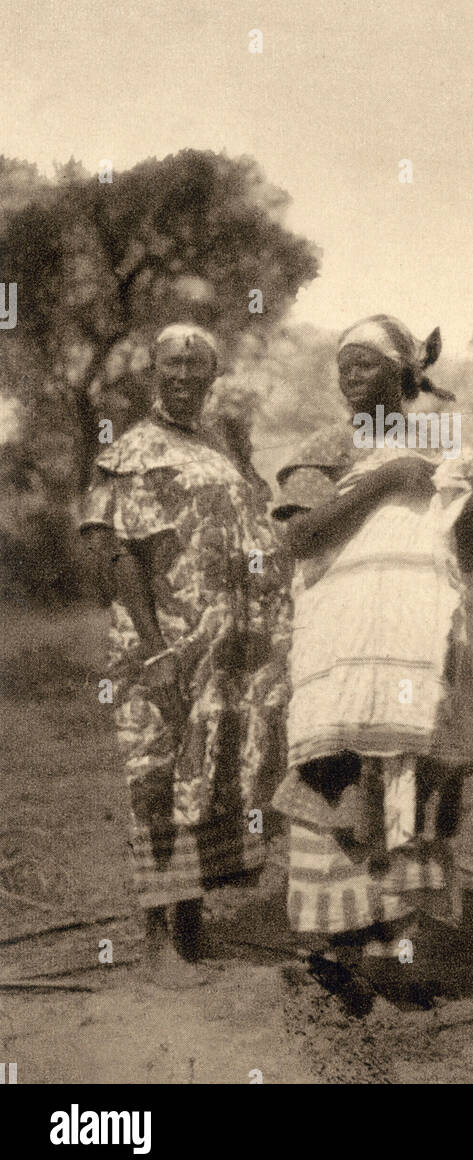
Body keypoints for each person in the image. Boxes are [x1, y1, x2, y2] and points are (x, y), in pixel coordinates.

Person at [272, 314, 473, 1009]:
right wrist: (385, 478)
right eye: (343, 366)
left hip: (413, 642)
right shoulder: (327, 446)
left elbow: (468, 557)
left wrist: (471, 505)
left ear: (402, 373)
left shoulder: (437, 446)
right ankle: (334, 951)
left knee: (408, 787)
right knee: (339, 780)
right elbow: (299, 538)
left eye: (364, 364)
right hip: (341, 645)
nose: (349, 376)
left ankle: (392, 951)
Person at [80, 323, 291, 987]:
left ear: (211, 376)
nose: (183, 375)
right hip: (161, 643)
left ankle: (192, 924)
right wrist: (154, 649)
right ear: (152, 373)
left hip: (222, 648)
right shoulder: (133, 449)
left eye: (196, 366)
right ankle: (154, 938)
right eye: (171, 364)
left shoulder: (216, 446)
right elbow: (115, 551)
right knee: (154, 775)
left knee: (203, 775)